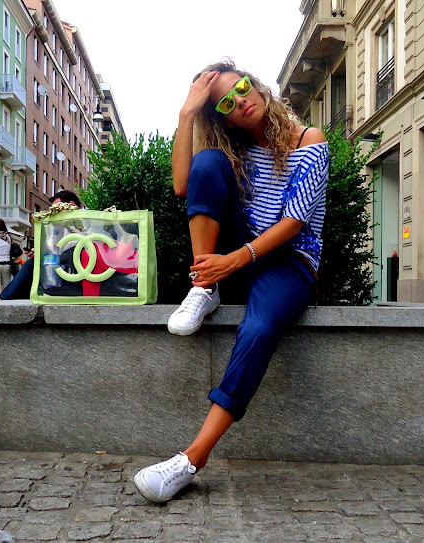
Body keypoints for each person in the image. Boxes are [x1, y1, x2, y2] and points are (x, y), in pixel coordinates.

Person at [133, 60, 329, 503]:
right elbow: (183, 185)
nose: (239, 102)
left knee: (258, 329)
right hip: (239, 258)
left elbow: (293, 223)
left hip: (290, 262)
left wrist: (232, 262)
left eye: (241, 89)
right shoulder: (233, 150)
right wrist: (187, 113)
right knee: (205, 162)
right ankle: (204, 288)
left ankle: (191, 460)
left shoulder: (309, 141)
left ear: (255, 86)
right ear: (222, 118)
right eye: (224, 103)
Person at [0, 190, 82, 300]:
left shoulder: (83, 225)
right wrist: (40, 253)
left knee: (33, 264)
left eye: (57, 209)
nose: (53, 214)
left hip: (75, 272)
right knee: (33, 262)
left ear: (71, 205)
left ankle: (8, 297)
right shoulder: (61, 228)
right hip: (63, 269)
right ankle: (10, 297)